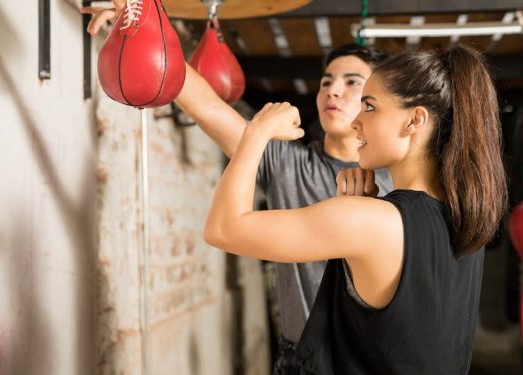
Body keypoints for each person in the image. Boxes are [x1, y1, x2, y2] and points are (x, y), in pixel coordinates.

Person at [82, 0, 393, 355]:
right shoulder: (285, 163)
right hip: (300, 358)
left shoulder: (397, 183)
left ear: (376, 99)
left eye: (351, 82)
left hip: (369, 359)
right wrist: (142, 19)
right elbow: (206, 105)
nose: (332, 91)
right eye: (326, 81)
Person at [203, 45, 507, 374]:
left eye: (370, 106)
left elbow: (222, 228)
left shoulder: (372, 222)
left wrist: (257, 131)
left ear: (414, 120)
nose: (357, 122)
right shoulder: (464, 219)